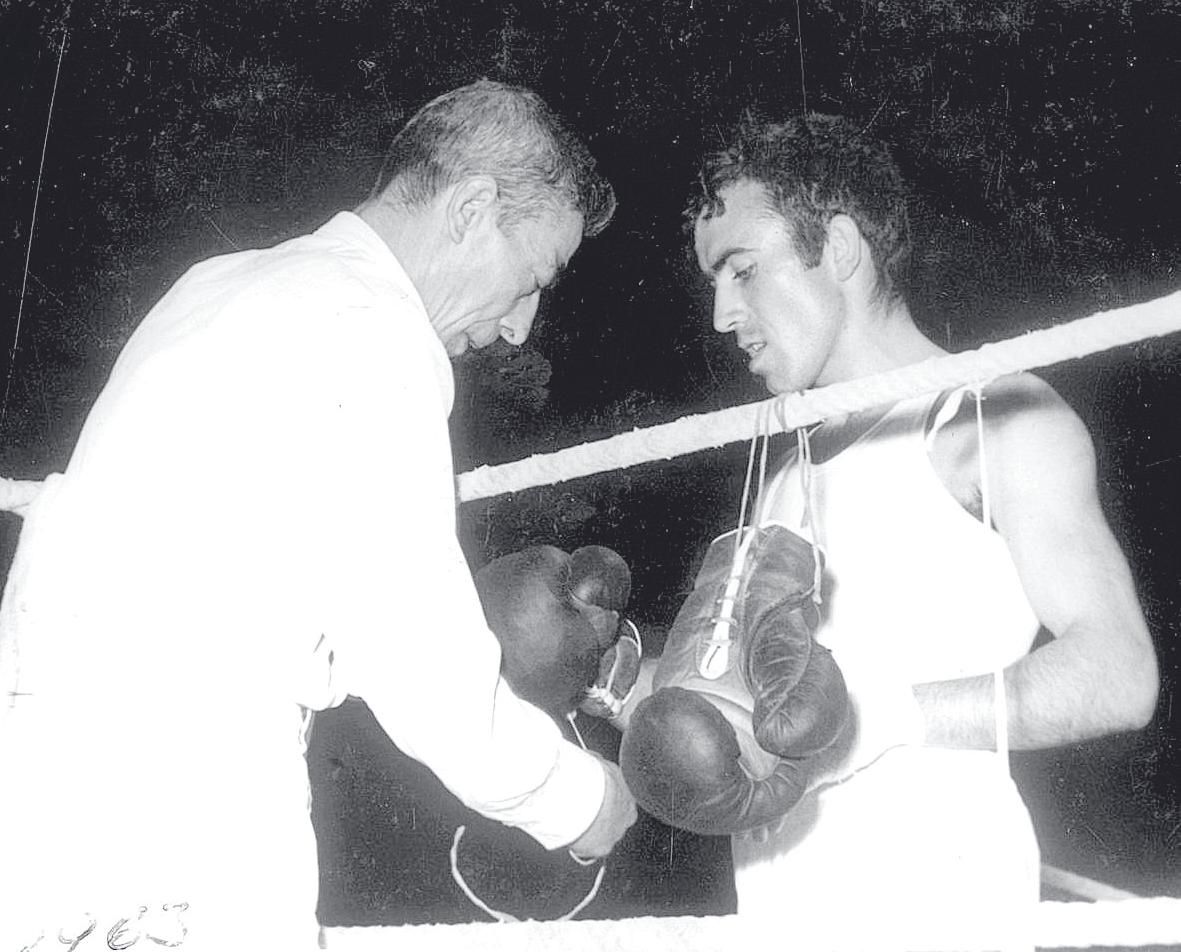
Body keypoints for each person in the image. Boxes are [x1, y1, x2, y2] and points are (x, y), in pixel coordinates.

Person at [0, 80, 636, 949]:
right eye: (533, 278)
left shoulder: (215, 284)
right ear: (472, 208)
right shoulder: (375, 330)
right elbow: (422, 668)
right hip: (178, 790)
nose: (523, 325)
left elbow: (220, 566)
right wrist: (580, 799)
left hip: (44, 779)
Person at [624, 113, 1159, 937]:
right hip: (776, 920)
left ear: (837, 249)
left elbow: (1119, 673)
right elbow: (742, 719)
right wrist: (616, 676)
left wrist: (876, 722)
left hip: (938, 910)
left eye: (742, 270)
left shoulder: (992, 415)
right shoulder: (787, 469)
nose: (723, 314)